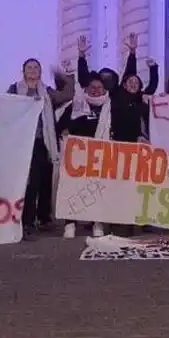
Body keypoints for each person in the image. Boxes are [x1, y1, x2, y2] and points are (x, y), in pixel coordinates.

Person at [8, 59, 75, 240]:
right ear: (23, 71)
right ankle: (27, 221)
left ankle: (43, 218)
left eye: (36, 67)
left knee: (44, 179)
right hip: (23, 142)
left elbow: (68, 95)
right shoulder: (14, 90)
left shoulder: (47, 92)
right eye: (29, 67)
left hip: (43, 141)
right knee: (29, 182)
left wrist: (65, 75)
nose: (33, 70)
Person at [57, 72, 112, 239]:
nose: (95, 91)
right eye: (92, 88)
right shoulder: (75, 105)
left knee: (97, 189)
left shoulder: (109, 107)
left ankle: (97, 222)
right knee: (73, 189)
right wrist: (65, 131)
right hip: (76, 157)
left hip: (99, 157)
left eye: (99, 88)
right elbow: (60, 126)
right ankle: (70, 223)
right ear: (87, 89)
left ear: (104, 90)